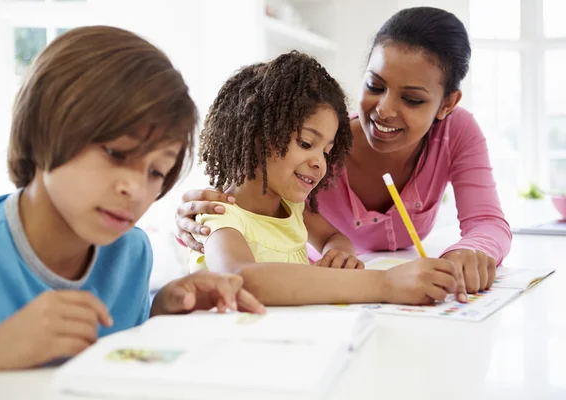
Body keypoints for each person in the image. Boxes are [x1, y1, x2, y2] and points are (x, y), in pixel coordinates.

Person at [0, 26, 263, 381]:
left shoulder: (132, 252)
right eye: (116, 153)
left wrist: (161, 312)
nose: (136, 190)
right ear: (44, 126)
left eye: (156, 171)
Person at [176, 7, 512, 300]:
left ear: (448, 103)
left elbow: (487, 222)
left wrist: (471, 251)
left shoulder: (456, 132)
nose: (384, 110)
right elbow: (241, 250)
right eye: (375, 86)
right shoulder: (280, 176)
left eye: (412, 99)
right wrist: (381, 284)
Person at [188, 50, 460, 307]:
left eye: (327, 152)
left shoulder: (292, 209)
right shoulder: (220, 216)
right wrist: (383, 284)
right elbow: (241, 279)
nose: (320, 163)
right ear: (256, 136)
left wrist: (338, 253)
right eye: (306, 143)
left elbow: (334, 237)